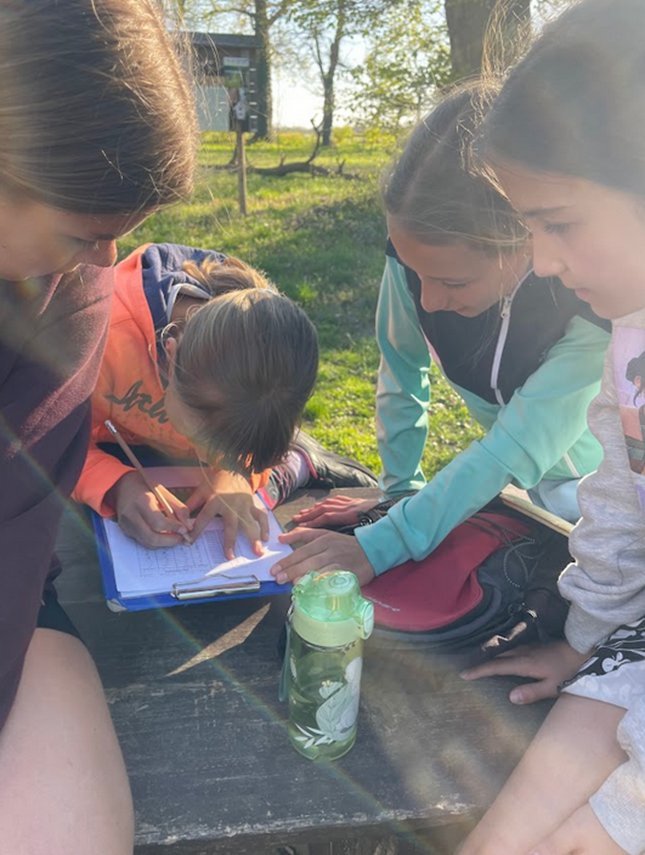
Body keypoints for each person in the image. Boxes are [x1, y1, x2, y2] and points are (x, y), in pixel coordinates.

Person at [270, 82, 610, 589]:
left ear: (524, 243)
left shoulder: (588, 302)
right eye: (416, 273)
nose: (426, 301)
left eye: (454, 282)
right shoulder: (413, 257)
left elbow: (510, 448)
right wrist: (398, 495)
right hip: (516, 491)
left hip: (597, 499)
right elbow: (401, 372)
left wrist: (385, 541)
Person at [0, 2, 198, 853]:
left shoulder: (69, 293)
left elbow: (18, 515)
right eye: (85, 233)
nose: (107, 266)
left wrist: (126, 485)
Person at [456, 2, 645, 853]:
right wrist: (586, 645)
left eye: (558, 223)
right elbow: (618, 499)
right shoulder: (629, 337)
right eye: (529, 228)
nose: (541, 262)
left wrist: (622, 809)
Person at [73, 242, 376, 557]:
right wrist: (116, 485)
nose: (209, 459)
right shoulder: (96, 337)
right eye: (200, 439)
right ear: (171, 359)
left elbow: (251, 438)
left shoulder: (270, 352)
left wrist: (237, 473)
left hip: (173, 466)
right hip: (110, 448)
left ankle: (293, 461)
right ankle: (295, 462)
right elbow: (50, 441)